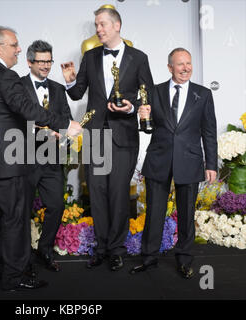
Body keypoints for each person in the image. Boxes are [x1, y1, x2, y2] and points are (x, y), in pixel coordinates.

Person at [0, 26, 82, 291]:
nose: (17, 49)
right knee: (15, 219)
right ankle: (14, 277)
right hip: (9, 162)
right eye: (14, 45)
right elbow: (27, 109)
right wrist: (65, 123)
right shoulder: (7, 76)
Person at [61, 7, 154, 271]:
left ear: (117, 25)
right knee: (98, 192)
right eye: (96, 25)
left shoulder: (138, 58)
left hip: (124, 135)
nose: (98, 29)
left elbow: (147, 95)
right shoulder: (90, 57)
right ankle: (101, 248)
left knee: (118, 193)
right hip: (95, 134)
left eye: (102, 25)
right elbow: (78, 93)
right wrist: (69, 82)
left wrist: (131, 107)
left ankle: (117, 248)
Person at [130, 48, 217, 278]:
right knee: (154, 213)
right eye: (180, 64)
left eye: (188, 63)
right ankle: (148, 258)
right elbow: (146, 126)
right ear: (170, 67)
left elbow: (209, 132)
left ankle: (184, 260)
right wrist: (142, 115)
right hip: (159, 159)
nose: (186, 68)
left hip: (189, 161)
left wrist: (211, 165)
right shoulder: (154, 92)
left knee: (187, 215)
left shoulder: (204, 94)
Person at [21, 40, 73, 272]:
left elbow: (67, 118)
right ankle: (21, 257)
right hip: (24, 159)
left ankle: (45, 248)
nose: (45, 66)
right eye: (40, 61)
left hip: (52, 159)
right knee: (21, 210)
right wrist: (38, 131)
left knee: (57, 205)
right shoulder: (17, 86)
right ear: (29, 61)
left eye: (48, 61)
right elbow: (13, 120)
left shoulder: (59, 89)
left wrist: (61, 135)